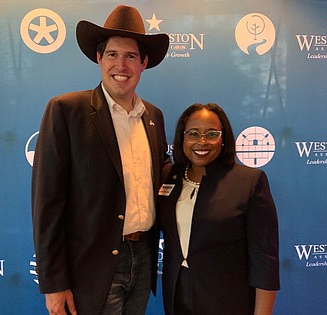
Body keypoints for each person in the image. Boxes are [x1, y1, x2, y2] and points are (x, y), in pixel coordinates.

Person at [31, 5, 169, 315]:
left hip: (143, 257)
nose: (121, 65)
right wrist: (54, 283)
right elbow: (48, 203)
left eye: (131, 56)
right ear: (99, 58)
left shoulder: (154, 117)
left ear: (144, 62)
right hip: (91, 267)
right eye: (112, 55)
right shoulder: (66, 110)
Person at [157, 103, 280, 314]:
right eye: (193, 133)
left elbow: (265, 260)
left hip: (228, 301)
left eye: (212, 134)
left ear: (223, 138)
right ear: (182, 138)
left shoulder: (249, 181)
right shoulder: (169, 176)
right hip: (177, 298)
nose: (202, 141)